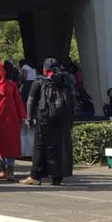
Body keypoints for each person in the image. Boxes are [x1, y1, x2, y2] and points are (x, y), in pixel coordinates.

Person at [22, 58, 76, 187]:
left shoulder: (40, 81)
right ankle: (57, 178)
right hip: (62, 120)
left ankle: (35, 176)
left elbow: (31, 101)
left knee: (40, 146)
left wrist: (29, 118)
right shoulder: (66, 81)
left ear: (44, 69)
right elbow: (73, 100)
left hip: (45, 118)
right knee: (59, 147)